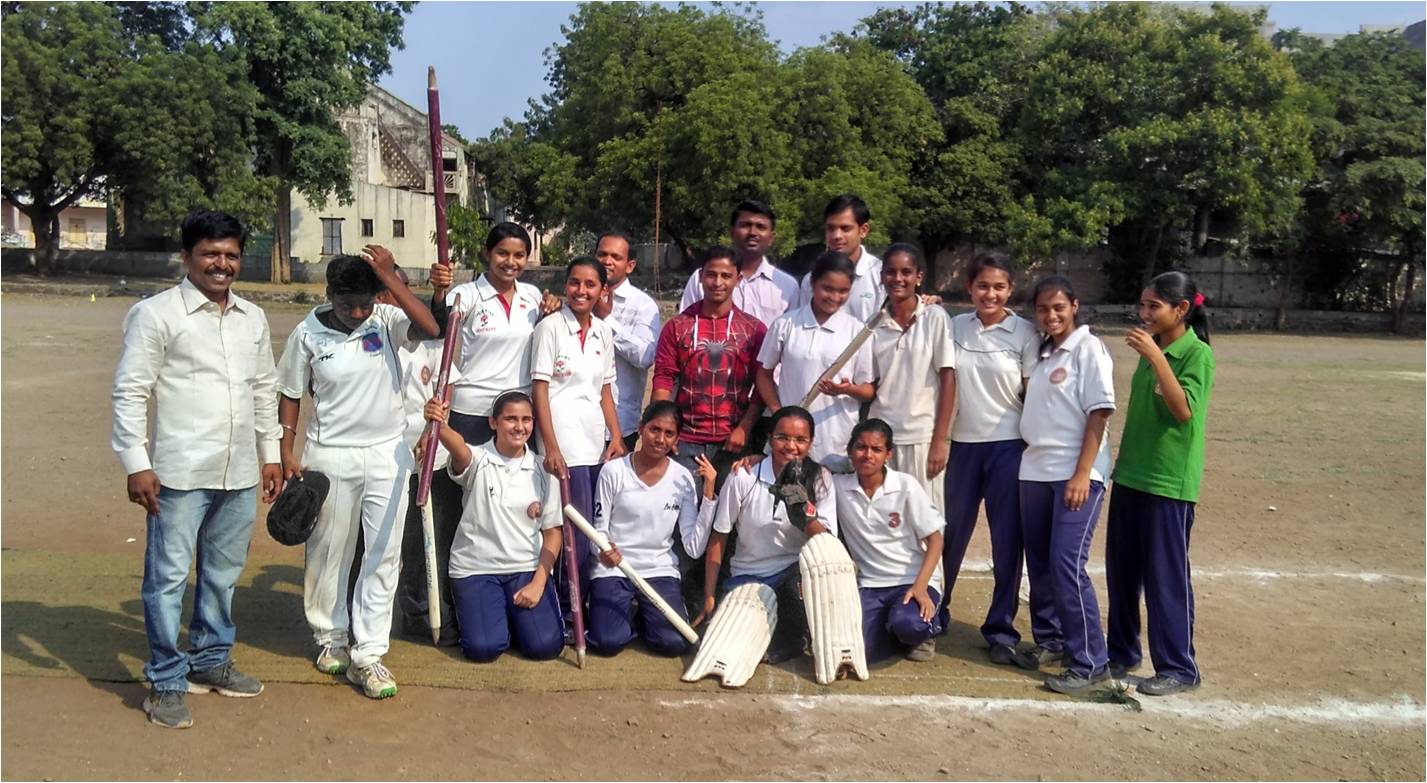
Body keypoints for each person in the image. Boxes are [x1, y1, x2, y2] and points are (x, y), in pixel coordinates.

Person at [112, 210, 281, 729]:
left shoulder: (251, 318)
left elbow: (263, 390)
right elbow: (130, 391)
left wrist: (270, 451)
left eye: (230, 254)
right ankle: (166, 679)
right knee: (166, 578)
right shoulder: (156, 314)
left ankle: (210, 661)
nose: (221, 264)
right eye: (210, 254)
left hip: (238, 473)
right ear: (186, 257)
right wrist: (137, 463)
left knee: (223, 574)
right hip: (179, 472)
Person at [276, 247, 440, 700]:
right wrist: (286, 450)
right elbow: (290, 393)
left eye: (366, 302)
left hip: (388, 455)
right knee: (329, 552)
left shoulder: (383, 322)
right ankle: (330, 639)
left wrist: (389, 278)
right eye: (348, 303)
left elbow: (431, 327)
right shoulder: (307, 333)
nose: (357, 312)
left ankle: (369, 654)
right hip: (329, 456)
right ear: (329, 294)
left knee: (383, 556)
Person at [1105, 271, 1215, 696]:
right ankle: (1122, 650)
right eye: (1143, 305)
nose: (1144, 313)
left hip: (1169, 483)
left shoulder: (1195, 354)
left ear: (1181, 309)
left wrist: (1155, 356)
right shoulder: (1156, 348)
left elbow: (1183, 410)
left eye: (1154, 306)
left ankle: (1178, 667)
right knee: (1123, 571)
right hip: (1132, 475)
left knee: (1165, 576)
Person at [939, 253, 1043, 669]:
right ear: (969, 288)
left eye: (999, 287)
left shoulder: (1025, 333)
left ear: (1010, 290)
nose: (990, 294)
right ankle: (935, 610)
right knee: (948, 535)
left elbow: (1033, 393)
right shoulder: (953, 325)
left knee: (1006, 544)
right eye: (982, 286)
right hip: (963, 446)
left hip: (1008, 449)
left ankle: (1001, 629)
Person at [1019, 275, 1116, 695]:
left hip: (1075, 473)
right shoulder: (1043, 352)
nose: (1051, 315)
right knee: (1039, 562)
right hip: (1035, 468)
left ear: (1074, 306)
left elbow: (1099, 412)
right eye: (1043, 309)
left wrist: (1082, 473)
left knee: (1065, 563)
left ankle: (1091, 661)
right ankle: (1052, 641)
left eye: (1059, 307)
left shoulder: (1088, 348)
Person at [424, 391, 565, 662]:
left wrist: (538, 583)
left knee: (545, 647)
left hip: (525, 569)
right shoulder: (478, 460)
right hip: (476, 569)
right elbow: (459, 448)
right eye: (510, 419)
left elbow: (552, 534)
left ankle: (513, 620)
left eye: (526, 420)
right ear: (493, 423)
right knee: (483, 649)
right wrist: (439, 424)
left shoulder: (543, 469)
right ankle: (499, 621)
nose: (519, 427)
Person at [696, 406, 838, 663]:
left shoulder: (820, 478)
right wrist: (709, 595)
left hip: (792, 574)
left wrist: (804, 516)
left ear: (811, 442)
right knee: (726, 644)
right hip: (748, 576)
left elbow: (827, 544)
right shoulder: (744, 475)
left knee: (799, 590)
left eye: (801, 440)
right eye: (782, 437)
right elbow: (719, 537)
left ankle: (795, 637)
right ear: (770, 438)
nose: (791, 446)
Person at [530, 256, 626, 625]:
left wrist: (616, 435)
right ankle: (559, 611)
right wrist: (550, 446)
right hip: (560, 445)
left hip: (592, 444)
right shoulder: (550, 328)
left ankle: (579, 607)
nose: (581, 291)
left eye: (590, 285)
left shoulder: (603, 332)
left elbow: (604, 389)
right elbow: (540, 389)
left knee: (586, 533)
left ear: (603, 290)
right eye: (574, 283)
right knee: (560, 529)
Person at [587, 402, 718, 656]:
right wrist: (604, 551)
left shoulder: (683, 478)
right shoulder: (613, 471)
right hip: (615, 568)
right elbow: (598, 532)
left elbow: (693, 548)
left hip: (658, 569)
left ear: (677, 439)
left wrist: (709, 495)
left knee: (672, 643)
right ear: (640, 429)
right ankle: (629, 611)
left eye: (669, 434)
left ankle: (642, 613)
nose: (660, 439)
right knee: (607, 642)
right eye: (654, 430)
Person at [379, 264, 465, 646]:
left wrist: (434, 432)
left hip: (431, 455)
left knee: (425, 541)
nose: (395, 300)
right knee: (380, 541)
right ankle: (365, 616)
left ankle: (421, 612)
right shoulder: (372, 340)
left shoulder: (432, 336)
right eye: (387, 291)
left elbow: (448, 387)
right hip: (384, 455)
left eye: (401, 290)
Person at [833, 419, 945, 664]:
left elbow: (936, 540)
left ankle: (924, 631)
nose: (868, 455)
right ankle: (890, 631)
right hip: (871, 584)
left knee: (909, 625)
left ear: (888, 454)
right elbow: (801, 467)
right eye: (861, 447)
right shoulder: (838, 487)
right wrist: (756, 460)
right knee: (854, 648)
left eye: (877, 449)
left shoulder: (905, 486)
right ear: (849, 451)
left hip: (912, 580)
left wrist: (921, 586)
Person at [754, 251, 875, 472]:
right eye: (827, 288)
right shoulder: (786, 324)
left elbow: (868, 390)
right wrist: (778, 411)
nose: (834, 297)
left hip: (836, 444)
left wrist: (847, 390)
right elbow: (763, 374)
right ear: (812, 283)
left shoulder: (858, 332)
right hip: (790, 445)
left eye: (843, 291)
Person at [867, 243, 955, 508]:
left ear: (919, 277)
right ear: (882, 276)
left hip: (921, 437)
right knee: (887, 517)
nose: (898, 279)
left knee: (925, 517)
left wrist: (939, 441)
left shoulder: (935, 317)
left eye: (906, 272)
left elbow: (948, 379)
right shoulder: (874, 324)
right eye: (891, 272)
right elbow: (872, 383)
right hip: (881, 437)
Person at [442, 223, 546, 447]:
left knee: (518, 480)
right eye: (502, 253)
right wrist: (439, 291)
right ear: (487, 252)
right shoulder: (466, 294)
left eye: (519, 255)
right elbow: (439, 323)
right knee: (471, 479)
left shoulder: (533, 297)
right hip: (474, 411)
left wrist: (551, 311)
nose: (510, 262)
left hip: (518, 413)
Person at [678, 200, 799, 329]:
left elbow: (792, 336)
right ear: (732, 233)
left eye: (760, 227)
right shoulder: (702, 278)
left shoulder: (787, 287)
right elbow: (683, 327)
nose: (752, 232)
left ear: (771, 238)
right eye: (745, 225)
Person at [592, 231, 662, 453]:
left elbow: (645, 357)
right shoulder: (580, 298)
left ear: (630, 265)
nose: (607, 261)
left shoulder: (642, 305)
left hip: (619, 425)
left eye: (616, 257)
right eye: (602, 254)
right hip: (578, 422)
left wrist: (606, 319)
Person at [796, 194, 883, 322]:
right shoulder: (811, 280)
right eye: (831, 228)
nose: (836, 236)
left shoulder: (881, 275)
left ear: (863, 230)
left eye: (845, 228)